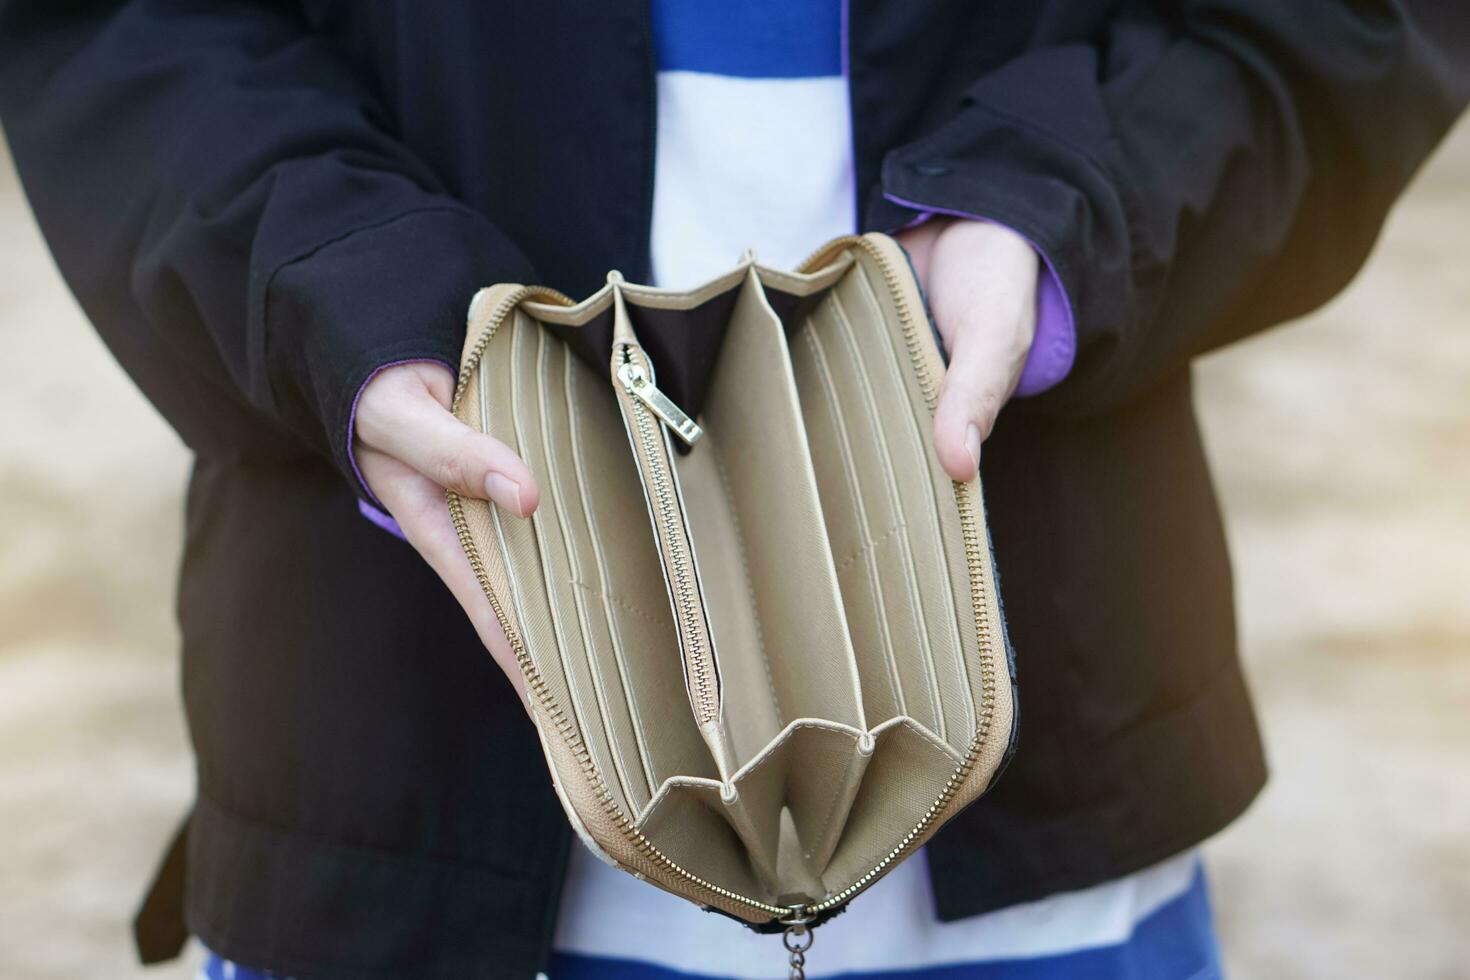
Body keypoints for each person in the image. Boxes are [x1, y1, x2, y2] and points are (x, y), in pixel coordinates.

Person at [1, 2, 1464, 978]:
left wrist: (1060, 209)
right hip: (390, 783)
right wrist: (337, 300)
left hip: (1041, 768)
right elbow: (122, 29)